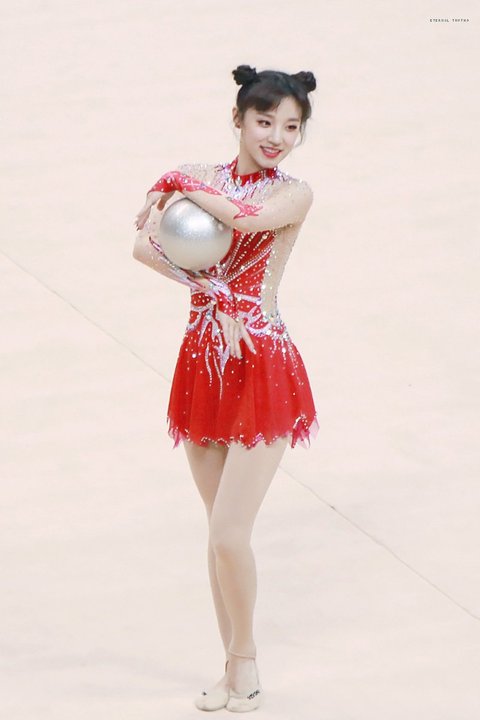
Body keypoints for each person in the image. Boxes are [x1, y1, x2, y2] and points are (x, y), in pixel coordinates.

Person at [133, 64, 319, 712]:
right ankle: (233, 668)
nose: (276, 137)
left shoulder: (293, 194)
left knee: (230, 532)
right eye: (264, 121)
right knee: (217, 533)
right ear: (238, 119)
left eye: (290, 127)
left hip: (261, 362)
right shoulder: (203, 177)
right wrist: (207, 286)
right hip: (205, 362)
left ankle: (245, 662)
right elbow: (144, 247)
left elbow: (248, 219)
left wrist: (174, 181)